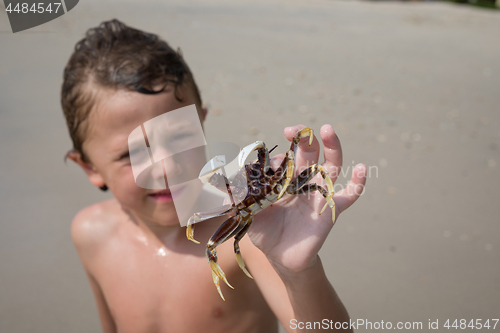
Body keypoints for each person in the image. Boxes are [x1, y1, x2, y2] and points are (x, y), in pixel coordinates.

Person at [62, 19, 367, 333]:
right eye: (132, 154)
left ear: (201, 124)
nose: (167, 168)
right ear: (91, 168)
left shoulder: (253, 238)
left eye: (181, 138)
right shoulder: (90, 233)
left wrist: (299, 271)